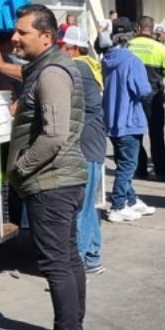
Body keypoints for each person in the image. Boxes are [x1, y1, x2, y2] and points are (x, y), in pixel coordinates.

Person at [7, 4, 89, 330]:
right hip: (59, 179)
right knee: (67, 258)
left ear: (46, 36)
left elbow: (54, 135)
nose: (15, 37)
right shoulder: (43, 69)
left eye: (22, 32)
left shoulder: (52, 73)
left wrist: (21, 167)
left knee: (57, 263)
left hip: (51, 182)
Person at [62, 25, 106, 275]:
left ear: (73, 48)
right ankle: (92, 257)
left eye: (63, 46)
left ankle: (77, 264)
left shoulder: (76, 68)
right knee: (89, 205)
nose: (60, 51)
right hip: (94, 143)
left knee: (82, 207)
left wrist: (2, 65)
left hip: (86, 145)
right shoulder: (90, 65)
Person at [103, 17, 155, 222]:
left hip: (112, 118)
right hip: (130, 119)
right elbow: (142, 90)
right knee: (127, 166)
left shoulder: (106, 60)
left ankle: (131, 200)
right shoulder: (133, 61)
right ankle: (117, 205)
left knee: (124, 162)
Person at [129, 16, 165, 181]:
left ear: (138, 28)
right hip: (154, 96)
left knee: (136, 133)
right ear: (152, 29)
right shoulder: (161, 49)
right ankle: (161, 171)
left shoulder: (129, 46)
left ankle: (140, 169)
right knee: (157, 134)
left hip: (133, 96)